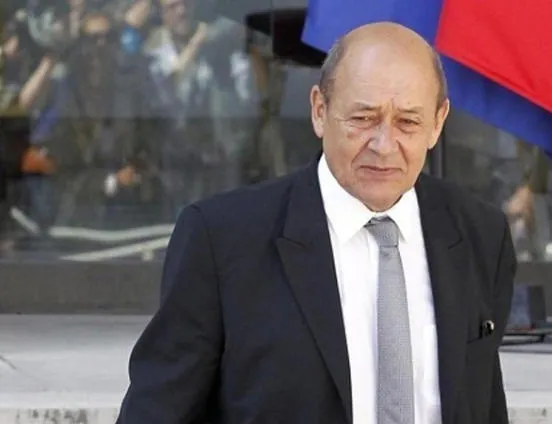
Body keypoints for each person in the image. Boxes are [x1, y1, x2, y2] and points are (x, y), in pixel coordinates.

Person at [117, 21, 516, 424]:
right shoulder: (221, 240)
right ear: (320, 111)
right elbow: (156, 411)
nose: (384, 145)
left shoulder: (481, 235)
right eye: (363, 118)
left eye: (408, 122)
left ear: (437, 122)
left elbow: (484, 404)